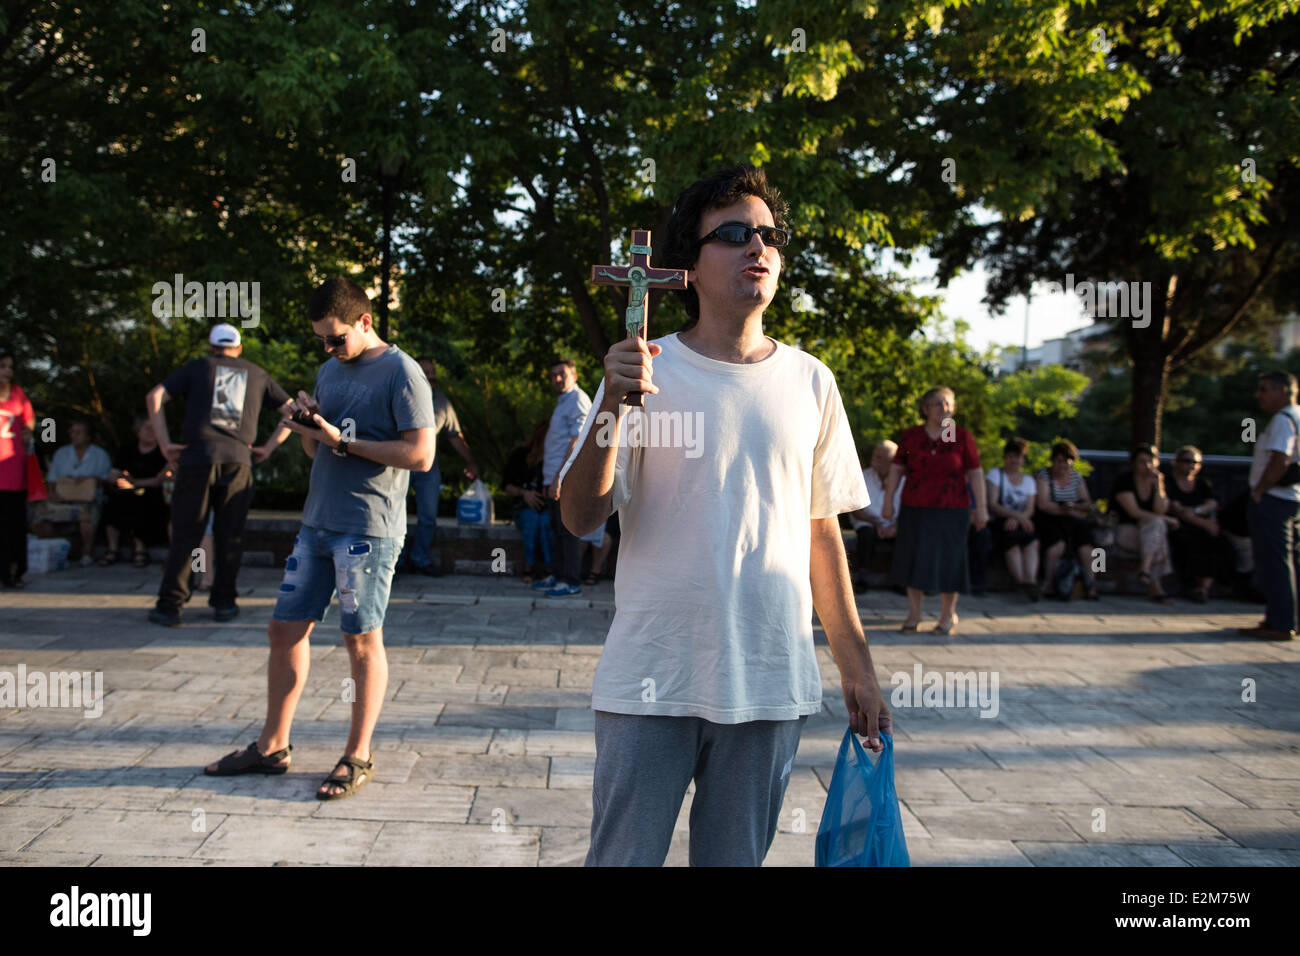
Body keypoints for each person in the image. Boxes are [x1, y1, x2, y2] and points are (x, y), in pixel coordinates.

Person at [560, 164, 890, 866]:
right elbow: (580, 516)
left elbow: (820, 530)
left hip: (769, 678)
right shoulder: (644, 368)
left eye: (768, 234)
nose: (758, 247)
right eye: (734, 234)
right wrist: (612, 410)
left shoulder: (809, 380)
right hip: (653, 676)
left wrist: (856, 665)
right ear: (686, 268)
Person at [204, 278, 437, 799]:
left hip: (368, 529)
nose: (328, 349)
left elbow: (421, 456)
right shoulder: (330, 369)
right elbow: (318, 452)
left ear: (365, 322)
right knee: (283, 630)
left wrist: (342, 439)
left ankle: (358, 754)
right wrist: (307, 424)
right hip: (316, 524)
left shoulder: (402, 372)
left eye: (336, 338)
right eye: (320, 341)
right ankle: (272, 746)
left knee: (360, 641)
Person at [146, 323, 293, 626]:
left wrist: (164, 444)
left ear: (212, 348)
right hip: (239, 460)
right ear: (238, 348)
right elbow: (293, 411)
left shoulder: (198, 367)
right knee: (231, 535)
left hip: (198, 458)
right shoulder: (257, 372)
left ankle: (170, 606)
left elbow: (155, 396)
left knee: (187, 533)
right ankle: (224, 603)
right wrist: (267, 447)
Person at [882, 386, 988, 634]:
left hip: (952, 508)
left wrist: (980, 508)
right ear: (926, 408)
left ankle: (946, 615)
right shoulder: (911, 436)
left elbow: (975, 472)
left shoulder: (958, 436)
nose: (945, 409)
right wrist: (888, 501)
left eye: (949, 404)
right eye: (939, 404)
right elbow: (897, 468)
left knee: (950, 561)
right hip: (916, 506)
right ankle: (914, 614)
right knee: (913, 558)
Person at [401, 356, 480, 576]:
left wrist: (471, 462)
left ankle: (420, 559)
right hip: (399, 466)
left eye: (432, 372)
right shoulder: (400, 395)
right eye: (424, 372)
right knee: (397, 514)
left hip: (427, 468)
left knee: (428, 516)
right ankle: (395, 563)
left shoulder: (442, 402)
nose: (430, 376)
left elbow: (455, 436)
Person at [1240, 370, 1300, 640]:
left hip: (1275, 500)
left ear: (1283, 390)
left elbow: (1280, 459)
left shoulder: (1283, 419)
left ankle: (1281, 623)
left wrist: (1261, 490)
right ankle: (1285, 619)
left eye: (1264, 389)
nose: (1258, 395)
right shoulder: (1297, 416)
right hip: (1291, 499)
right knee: (1289, 562)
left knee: (1274, 562)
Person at [535, 356, 591, 597]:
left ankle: (571, 581)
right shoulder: (563, 402)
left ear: (574, 376)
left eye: (562, 374)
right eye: (553, 375)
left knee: (567, 532)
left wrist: (560, 476)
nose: (557, 378)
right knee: (557, 530)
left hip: (566, 478)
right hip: (554, 477)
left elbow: (577, 440)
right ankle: (558, 576)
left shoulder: (578, 400)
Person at [100, 416, 170, 567]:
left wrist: (135, 483)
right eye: (147, 428)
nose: (151, 432)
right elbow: (113, 473)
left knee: (142, 502)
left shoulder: (163, 452)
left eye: (154, 429)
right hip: (127, 491)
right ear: (138, 431)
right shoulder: (127, 449)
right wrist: (120, 480)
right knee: (112, 502)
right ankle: (112, 549)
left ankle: (140, 549)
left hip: (153, 492)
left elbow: (161, 479)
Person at [1111, 445, 1177, 604]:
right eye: (1142, 462)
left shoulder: (1156, 481)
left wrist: (1159, 487)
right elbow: (1134, 513)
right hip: (1125, 532)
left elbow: (1160, 510)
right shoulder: (1124, 481)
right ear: (1133, 463)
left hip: (1148, 534)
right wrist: (1166, 519)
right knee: (1159, 528)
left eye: (1150, 461)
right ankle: (1155, 587)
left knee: (1156, 529)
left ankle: (1146, 572)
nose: (1147, 466)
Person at [1035, 440, 1100, 600]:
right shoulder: (1044, 476)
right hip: (1051, 520)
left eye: (1066, 461)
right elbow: (1043, 504)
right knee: (1056, 546)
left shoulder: (1076, 478)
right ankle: (1048, 583)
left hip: (1073, 520)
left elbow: (1087, 503)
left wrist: (1072, 507)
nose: (1062, 465)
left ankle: (1092, 584)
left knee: (1092, 550)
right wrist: (1062, 509)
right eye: (1059, 461)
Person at [43, 420, 113, 566]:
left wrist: (89, 480)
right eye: (72, 432)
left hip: (89, 500)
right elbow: (52, 479)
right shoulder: (61, 453)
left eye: (78, 432)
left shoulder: (100, 455)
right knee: (41, 514)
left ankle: (87, 552)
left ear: (88, 436)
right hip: (63, 499)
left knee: (87, 514)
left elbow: (107, 479)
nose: (74, 435)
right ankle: (57, 551)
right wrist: (53, 494)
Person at [1166, 445, 1226, 603]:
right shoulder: (1167, 482)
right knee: (1189, 539)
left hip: (1200, 526)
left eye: (1196, 462)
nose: (1191, 465)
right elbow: (1177, 510)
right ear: (1176, 462)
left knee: (1215, 540)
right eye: (1187, 461)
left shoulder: (1202, 484)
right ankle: (1191, 585)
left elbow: (1212, 503)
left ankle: (1203, 589)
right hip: (1176, 526)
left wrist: (1196, 510)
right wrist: (1203, 522)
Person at [985, 437, 1040, 601]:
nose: (1014, 460)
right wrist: (1015, 516)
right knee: (1011, 541)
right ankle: (1021, 583)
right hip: (1001, 522)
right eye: (1011, 456)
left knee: (1032, 541)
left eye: (1018, 457)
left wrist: (1019, 519)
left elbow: (1030, 508)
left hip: (1021, 522)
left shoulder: (1029, 481)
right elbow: (993, 504)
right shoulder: (996, 475)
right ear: (1005, 457)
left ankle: (1030, 581)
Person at [0, 349, 36, 588]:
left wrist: (34, 434)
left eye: (10, 367)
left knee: (14, 525)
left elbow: (40, 424)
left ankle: (15, 570)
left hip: (14, 470)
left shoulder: (19, 394)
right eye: (3, 366)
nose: (8, 371)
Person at [848, 440, 903, 593]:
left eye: (879, 457)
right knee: (866, 534)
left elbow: (907, 509)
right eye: (874, 456)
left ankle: (900, 579)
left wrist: (896, 526)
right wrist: (876, 523)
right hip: (868, 523)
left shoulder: (903, 481)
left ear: (891, 461)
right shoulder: (863, 477)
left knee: (906, 537)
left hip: (894, 525)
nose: (874, 460)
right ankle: (862, 577)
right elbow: (855, 509)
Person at [503, 420, 553, 583]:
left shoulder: (556, 457)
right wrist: (525, 494)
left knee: (545, 522)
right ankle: (529, 566)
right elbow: (506, 485)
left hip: (548, 506)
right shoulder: (520, 454)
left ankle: (549, 567)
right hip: (524, 506)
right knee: (532, 520)